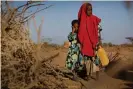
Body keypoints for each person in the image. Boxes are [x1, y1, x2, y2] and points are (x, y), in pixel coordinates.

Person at [78, 3, 101, 80]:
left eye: (91, 9)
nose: (90, 11)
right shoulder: (82, 21)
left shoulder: (94, 18)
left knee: (96, 59)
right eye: (88, 10)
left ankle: (97, 76)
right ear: (85, 10)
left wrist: (98, 42)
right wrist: (81, 44)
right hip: (86, 43)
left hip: (95, 42)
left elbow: (98, 31)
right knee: (87, 60)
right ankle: (88, 75)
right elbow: (80, 33)